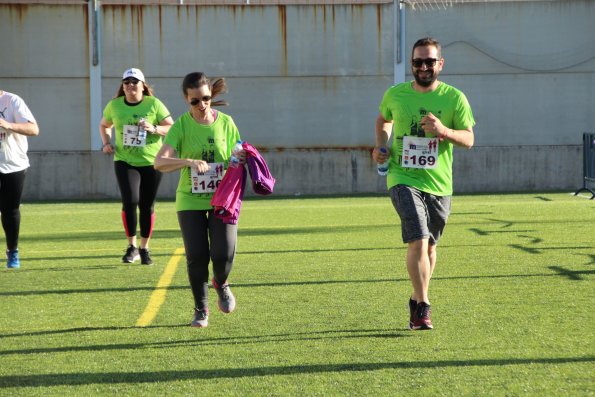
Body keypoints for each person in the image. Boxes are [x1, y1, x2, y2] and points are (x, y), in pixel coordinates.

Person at [373, 37, 475, 330]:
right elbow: (383, 119)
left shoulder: (454, 98)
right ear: (412, 65)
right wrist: (381, 144)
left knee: (430, 246)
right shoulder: (396, 94)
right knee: (417, 237)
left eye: (429, 61)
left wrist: (443, 130)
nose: (423, 67)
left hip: (439, 183)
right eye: (418, 62)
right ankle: (423, 304)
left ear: (440, 64)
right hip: (402, 176)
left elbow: (469, 139)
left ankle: (416, 301)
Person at [154, 72, 245, 328]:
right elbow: (159, 162)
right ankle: (201, 309)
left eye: (206, 98)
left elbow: (237, 152)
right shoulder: (181, 126)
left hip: (222, 199)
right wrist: (188, 161)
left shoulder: (226, 123)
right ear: (186, 99)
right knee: (196, 256)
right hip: (190, 200)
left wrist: (241, 158)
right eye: (195, 101)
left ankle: (221, 282)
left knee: (223, 254)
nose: (202, 105)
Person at [99, 68, 174, 265]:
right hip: (125, 161)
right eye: (126, 82)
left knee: (146, 205)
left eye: (134, 82)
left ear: (143, 85)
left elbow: (171, 128)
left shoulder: (154, 104)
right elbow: (104, 125)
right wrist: (106, 142)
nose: (130, 85)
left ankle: (144, 247)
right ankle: (131, 246)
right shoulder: (114, 105)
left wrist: (154, 128)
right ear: (122, 86)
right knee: (130, 200)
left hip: (151, 162)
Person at [0, 90, 39, 269]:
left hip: (13, 164)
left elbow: (33, 129)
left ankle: (12, 250)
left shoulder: (12, 101)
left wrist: (7, 124)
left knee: (10, 210)